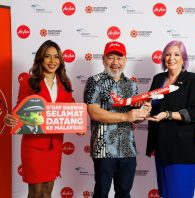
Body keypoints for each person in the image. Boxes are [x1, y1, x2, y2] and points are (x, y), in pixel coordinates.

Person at [4, 40, 75, 198]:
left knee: (48, 189)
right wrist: (11, 118)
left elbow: (71, 108)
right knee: (35, 192)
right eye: (47, 56)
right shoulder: (29, 82)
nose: (52, 61)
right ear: (40, 59)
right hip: (34, 145)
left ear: (60, 60)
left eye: (56, 57)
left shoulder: (65, 83)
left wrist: (79, 125)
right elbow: (18, 109)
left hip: (55, 145)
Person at [83, 41, 151, 198]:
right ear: (103, 59)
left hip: (127, 148)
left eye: (119, 58)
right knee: (101, 193)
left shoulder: (132, 85)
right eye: (110, 57)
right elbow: (94, 112)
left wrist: (143, 112)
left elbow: (136, 119)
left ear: (125, 60)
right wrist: (126, 116)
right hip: (103, 148)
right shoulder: (94, 81)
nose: (115, 62)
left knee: (124, 193)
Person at [146, 40, 195, 198]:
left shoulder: (194, 80)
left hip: (182, 150)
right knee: (164, 193)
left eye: (176, 54)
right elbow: (152, 104)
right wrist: (146, 108)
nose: (171, 58)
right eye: (168, 54)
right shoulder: (158, 78)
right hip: (161, 146)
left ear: (183, 58)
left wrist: (167, 114)